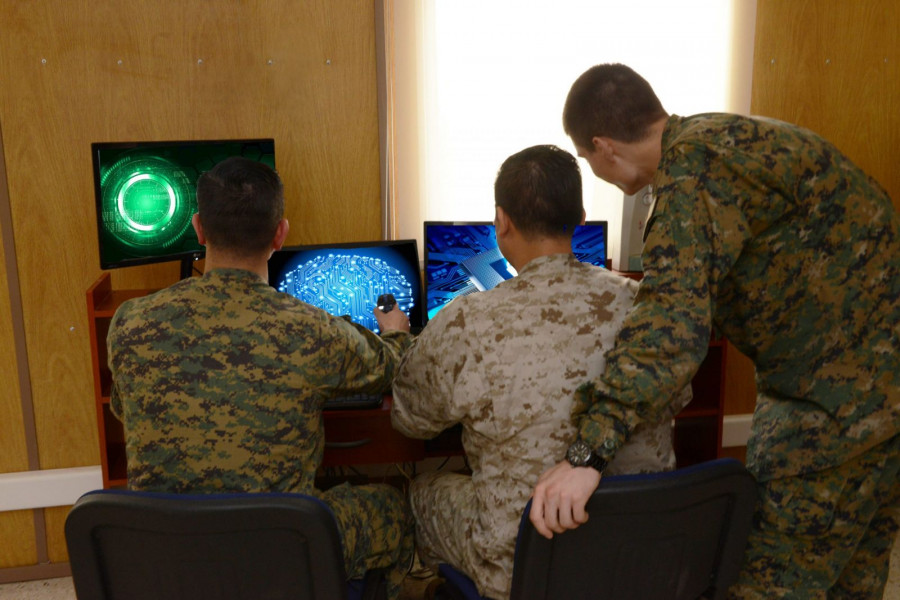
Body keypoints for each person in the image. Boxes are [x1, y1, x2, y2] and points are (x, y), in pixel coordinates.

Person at [529, 63, 900, 599]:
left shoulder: (690, 177)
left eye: (587, 160)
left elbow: (671, 330)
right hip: (882, 395)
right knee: (852, 579)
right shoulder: (735, 138)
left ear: (603, 146)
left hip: (827, 412)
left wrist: (588, 455)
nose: (596, 172)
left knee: (766, 583)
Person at [391, 144, 690, 600]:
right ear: (582, 216)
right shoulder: (643, 305)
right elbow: (678, 396)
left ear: (502, 221)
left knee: (421, 492)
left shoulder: (469, 319)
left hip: (521, 568)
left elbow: (411, 420)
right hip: (637, 559)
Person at [107, 156, 415, 599]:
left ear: (198, 228)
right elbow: (388, 368)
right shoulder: (310, 329)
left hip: (168, 554)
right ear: (280, 233)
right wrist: (396, 335)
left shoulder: (129, 322)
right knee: (393, 507)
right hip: (280, 549)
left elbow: (124, 407)